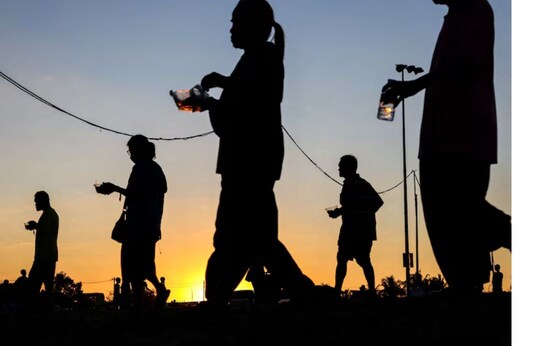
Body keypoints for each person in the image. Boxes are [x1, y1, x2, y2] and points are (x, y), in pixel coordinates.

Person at [380, 0, 511, 294]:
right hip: (441, 135)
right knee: (447, 216)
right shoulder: (456, 16)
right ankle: (466, 283)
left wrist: (413, 85)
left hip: (463, 133)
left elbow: (464, 66)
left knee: (460, 209)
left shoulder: (475, 10)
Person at [198, 0, 315, 307]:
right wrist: (217, 94)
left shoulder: (262, 57)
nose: (231, 29)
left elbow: (247, 106)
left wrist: (213, 98)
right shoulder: (259, 58)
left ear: (253, 27)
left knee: (236, 235)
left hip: (248, 159)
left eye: (236, 23)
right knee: (255, 236)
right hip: (252, 158)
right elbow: (242, 102)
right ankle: (301, 291)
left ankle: (220, 296)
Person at [97, 135, 170, 309]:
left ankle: (136, 305)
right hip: (152, 225)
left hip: (137, 225)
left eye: (131, 151)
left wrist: (113, 188)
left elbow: (135, 194)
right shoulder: (157, 169)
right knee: (145, 264)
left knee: (131, 266)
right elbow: (160, 191)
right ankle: (156, 291)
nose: (130, 155)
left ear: (137, 151)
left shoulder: (140, 169)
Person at [327, 155, 383, 296]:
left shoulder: (361, 184)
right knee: (343, 259)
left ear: (349, 167)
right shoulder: (349, 184)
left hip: (359, 231)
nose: (338, 168)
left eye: (341, 165)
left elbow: (377, 202)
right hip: (349, 229)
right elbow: (348, 206)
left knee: (362, 260)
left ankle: (369, 292)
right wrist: (339, 211)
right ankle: (338, 291)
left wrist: (357, 207)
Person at [25, 191, 59, 299]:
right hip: (47, 256)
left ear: (43, 201)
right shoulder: (49, 214)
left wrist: (36, 226)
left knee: (33, 285)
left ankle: (36, 311)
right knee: (47, 285)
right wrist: (36, 226)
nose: (35, 203)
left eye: (37, 201)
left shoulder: (49, 215)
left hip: (44, 257)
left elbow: (48, 232)